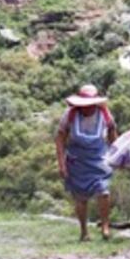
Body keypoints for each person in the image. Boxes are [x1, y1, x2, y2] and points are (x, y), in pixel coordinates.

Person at [55, 84, 118, 241]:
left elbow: (112, 133)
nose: (88, 108)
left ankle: (105, 226)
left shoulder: (104, 114)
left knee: (103, 192)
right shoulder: (70, 115)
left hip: (99, 159)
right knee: (80, 198)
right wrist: (61, 164)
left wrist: (116, 155)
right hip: (77, 161)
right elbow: (60, 138)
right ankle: (84, 231)